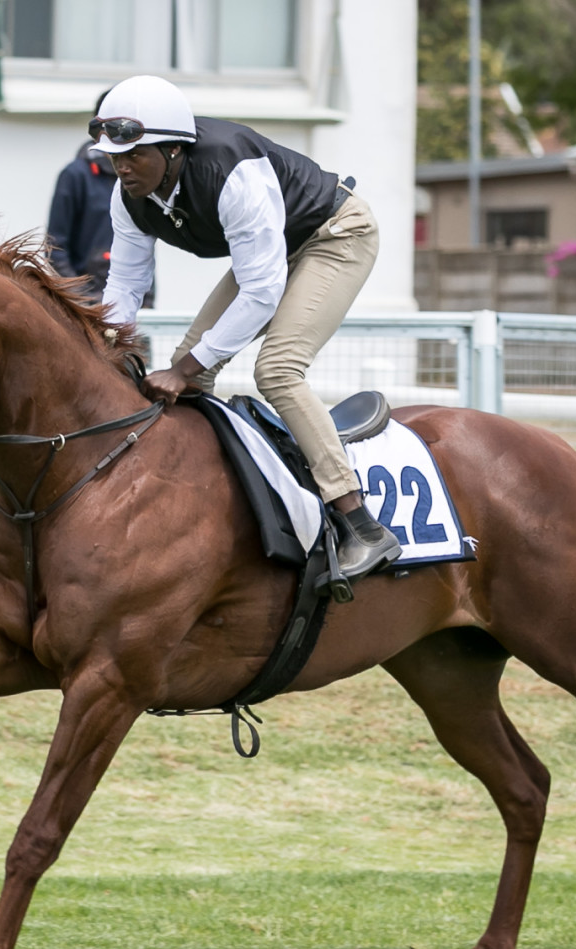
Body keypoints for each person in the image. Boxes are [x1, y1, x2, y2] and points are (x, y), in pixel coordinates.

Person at [95, 74, 401, 581]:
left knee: (278, 369)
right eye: (115, 156)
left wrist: (184, 367)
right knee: (193, 374)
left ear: (174, 150)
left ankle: (360, 523)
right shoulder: (127, 196)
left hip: (335, 235)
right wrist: (110, 346)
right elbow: (125, 283)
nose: (122, 167)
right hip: (270, 252)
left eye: (135, 155)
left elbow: (261, 292)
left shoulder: (231, 169)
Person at [45, 90, 154, 306]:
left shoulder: (145, 176)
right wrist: (85, 301)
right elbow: (54, 250)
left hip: (135, 306)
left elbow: (145, 246)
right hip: (87, 309)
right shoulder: (75, 175)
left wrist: (147, 303)